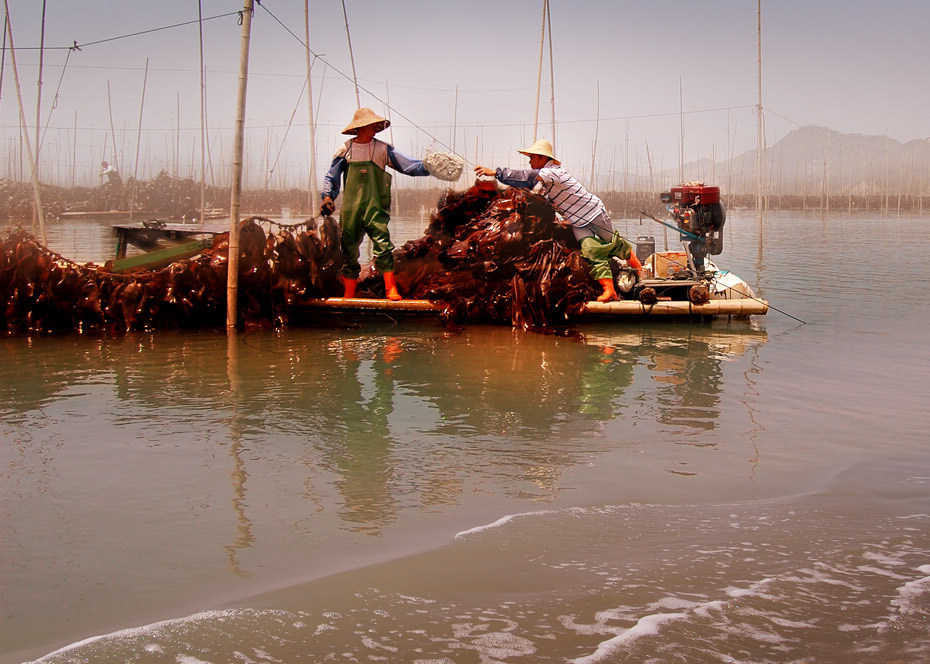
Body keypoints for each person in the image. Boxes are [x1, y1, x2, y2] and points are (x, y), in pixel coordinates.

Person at [474, 139, 641, 302]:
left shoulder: (554, 173)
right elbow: (541, 196)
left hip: (594, 212)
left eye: (532, 157)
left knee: (613, 243)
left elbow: (527, 176)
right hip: (577, 222)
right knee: (591, 252)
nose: (530, 161)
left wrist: (496, 173)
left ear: (542, 158)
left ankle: (638, 267)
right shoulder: (546, 181)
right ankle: (609, 290)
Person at [320, 108, 432, 300]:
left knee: (383, 244)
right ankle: (349, 293)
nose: (375, 128)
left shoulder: (383, 149)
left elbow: (409, 166)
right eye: (371, 125)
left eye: (376, 125)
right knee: (349, 247)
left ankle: (391, 289)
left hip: (376, 206)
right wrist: (328, 197)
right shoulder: (345, 149)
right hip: (351, 208)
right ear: (361, 127)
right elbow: (332, 177)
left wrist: (431, 167)